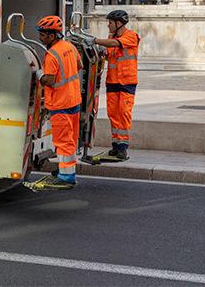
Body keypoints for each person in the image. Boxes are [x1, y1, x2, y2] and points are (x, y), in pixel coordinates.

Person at [30, 15, 83, 190]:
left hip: (60, 103)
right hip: (73, 100)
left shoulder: (51, 55)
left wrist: (37, 73)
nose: (40, 37)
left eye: (43, 34)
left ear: (52, 35)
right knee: (71, 139)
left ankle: (66, 177)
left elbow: (50, 81)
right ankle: (66, 171)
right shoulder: (69, 46)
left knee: (63, 141)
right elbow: (80, 65)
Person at [90, 10, 140, 162]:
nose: (108, 25)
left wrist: (94, 41)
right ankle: (116, 145)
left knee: (123, 113)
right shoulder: (110, 37)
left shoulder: (131, 36)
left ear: (119, 24)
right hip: (112, 82)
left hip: (127, 82)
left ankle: (123, 147)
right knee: (113, 114)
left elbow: (114, 45)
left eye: (110, 22)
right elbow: (109, 53)